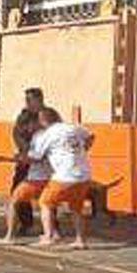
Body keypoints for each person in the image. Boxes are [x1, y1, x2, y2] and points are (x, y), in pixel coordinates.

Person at [27, 107, 95, 249]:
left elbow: (36, 156)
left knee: (45, 202)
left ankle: (48, 236)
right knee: (76, 208)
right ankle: (80, 240)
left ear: (43, 121)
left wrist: (21, 157)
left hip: (64, 175)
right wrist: (84, 149)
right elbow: (90, 136)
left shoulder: (48, 134)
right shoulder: (73, 128)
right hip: (84, 175)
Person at [0, 116, 53, 244]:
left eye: (27, 125)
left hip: (36, 178)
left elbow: (34, 158)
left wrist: (9, 159)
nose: (26, 129)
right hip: (49, 177)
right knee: (46, 204)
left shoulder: (38, 137)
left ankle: (9, 236)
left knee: (12, 202)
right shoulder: (50, 136)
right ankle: (51, 233)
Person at [10, 88, 46, 234]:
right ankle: (26, 222)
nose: (27, 103)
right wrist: (24, 150)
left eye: (30, 99)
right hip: (25, 159)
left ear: (39, 100)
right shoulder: (23, 116)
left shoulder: (48, 115)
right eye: (26, 100)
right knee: (17, 190)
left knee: (48, 192)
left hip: (44, 161)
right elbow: (17, 133)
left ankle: (52, 225)